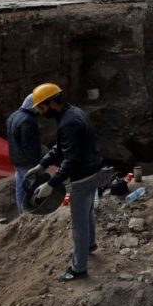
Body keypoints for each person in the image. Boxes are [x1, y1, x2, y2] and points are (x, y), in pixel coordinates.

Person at [24, 83, 105, 282]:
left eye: (42, 108)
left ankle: (79, 268)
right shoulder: (71, 113)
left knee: (78, 224)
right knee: (87, 213)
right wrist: (42, 165)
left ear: (52, 103)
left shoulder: (69, 123)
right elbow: (61, 148)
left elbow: (71, 160)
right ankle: (89, 245)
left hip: (83, 176)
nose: (41, 113)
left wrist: (51, 184)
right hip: (93, 170)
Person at [6, 94, 41, 215]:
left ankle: (22, 213)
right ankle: (39, 212)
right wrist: (37, 163)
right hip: (27, 161)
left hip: (15, 159)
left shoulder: (13, 116)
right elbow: (28, 145)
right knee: (37, 185)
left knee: (21, 186)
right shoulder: (27, 121)